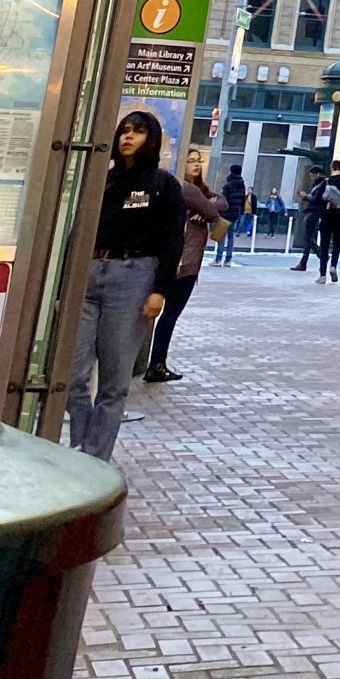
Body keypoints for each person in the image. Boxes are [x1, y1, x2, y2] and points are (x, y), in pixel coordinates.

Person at [66, 109, 182, 462]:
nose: (128, 137)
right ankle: (81, 450)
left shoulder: (163, 184)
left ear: (152, 139)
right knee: (72, 376)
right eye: (124, 131)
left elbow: (172, 241)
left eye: (138, 132)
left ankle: (92, 458)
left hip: (134, 277)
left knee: (114, 382)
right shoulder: (104, 181)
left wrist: (160, 290)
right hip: (91, 272)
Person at [144, 147, 227, 383]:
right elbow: (213, 210)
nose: (196, 165)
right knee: (169, 315)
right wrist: (206, 207)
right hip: (184, 262)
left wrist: (206, 205)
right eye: (190, 161)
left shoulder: (190, 190)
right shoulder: (186, 188)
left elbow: (221, 202)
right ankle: (156, 364)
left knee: (165, 315)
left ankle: (155, 363)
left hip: (181, 259)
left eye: (198, 161)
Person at [291, 168, 328, 274]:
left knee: (308, 239)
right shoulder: (319, 184)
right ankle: (319, 255)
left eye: (312, 176)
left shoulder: (322, 184)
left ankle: (313, 258)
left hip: (314, 212)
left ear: (318, 174)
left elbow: (317, 199)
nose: (311, 178)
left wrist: (306, 196)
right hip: (312, 212)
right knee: (308, 239)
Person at [216, 162, 248, 264]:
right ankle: (228, 259)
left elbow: (223, 200)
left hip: (225, 213)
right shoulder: (242, 186)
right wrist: (240, 211)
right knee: (230, 236)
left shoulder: (228, 185)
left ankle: (218, 258)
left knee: (221, 236)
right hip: (235, 214)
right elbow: (243, 200)